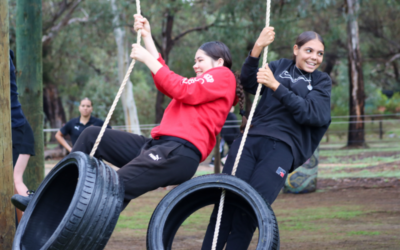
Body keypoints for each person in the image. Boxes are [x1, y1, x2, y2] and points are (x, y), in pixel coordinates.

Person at [12, 14, 245, 212]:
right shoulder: (202, 85)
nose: (195, 65)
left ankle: (67, 222)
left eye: (200, 60)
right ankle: (46, 197)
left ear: (219, 62)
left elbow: (180, 87)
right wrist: (147, 36)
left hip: (178, 152)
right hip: (158, 146)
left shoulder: (223, 77)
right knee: (93, 135)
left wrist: (145, 57)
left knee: (112, 186)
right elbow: (167, 80)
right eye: (194, 61)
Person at [202, 28, 332, 249]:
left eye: (319, 53)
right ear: (296, 50)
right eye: (309, 50)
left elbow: (312, 113)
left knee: (249, 211)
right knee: (225, 206)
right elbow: (249, 83)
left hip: (282, 148)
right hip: (250, 141)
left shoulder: (321, 81)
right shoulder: (278, 66)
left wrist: (277, 86)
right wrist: (258, 48)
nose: (314, 57)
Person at [9, 50, 36, 222]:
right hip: (14, 128)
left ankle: (29, 230)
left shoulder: (4, 54)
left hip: (17, 128)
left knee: (14, 179)